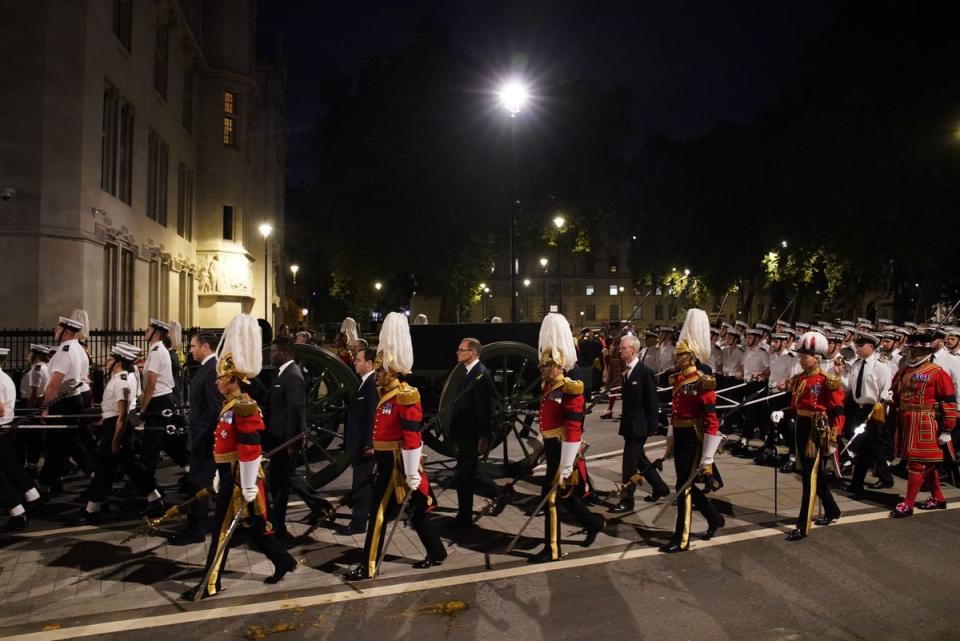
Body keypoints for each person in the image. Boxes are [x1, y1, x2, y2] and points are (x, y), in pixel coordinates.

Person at [180, 314, 296, 601]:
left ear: (231, 379)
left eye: (221, 377)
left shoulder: (244, 407)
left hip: (242, 479)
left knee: (221, 531)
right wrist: (220, 474)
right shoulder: (231, 404)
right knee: (254, 526)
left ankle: (209, 583)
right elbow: (225, 444)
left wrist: (244, 486)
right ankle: (283, 561)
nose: (217, 381)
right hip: (231, 475)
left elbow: (248, 449)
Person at [343, 312, 446, 580]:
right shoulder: (386, 394)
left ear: (392, 371)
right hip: (388, 462)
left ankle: (369, 566)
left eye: (380, 370)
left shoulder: (405, 395)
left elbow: (412, 436)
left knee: (378, 514)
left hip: (401, 464)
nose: (376, 374)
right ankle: (437, 552)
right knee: (417, 511)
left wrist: (412, 472)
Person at [528, 313, 604, 563]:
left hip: (564, 449)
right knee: (565, 495)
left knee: (550, 497)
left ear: (559, 365)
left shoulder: (569, 387)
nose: (542, 370)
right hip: (552, 447)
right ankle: (592, 523)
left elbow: (573, 428)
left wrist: (568, 464)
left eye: (546, 366)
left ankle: (552, 548)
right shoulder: (548, 387)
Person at [68, 345, 164, 524]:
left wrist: (115, 440)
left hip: (118, 428)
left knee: (105, 468)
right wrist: (103, 421)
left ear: (118, 363)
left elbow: (123, 414)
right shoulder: (118, 378)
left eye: (110, 360)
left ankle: (93, 509)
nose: (107, 362)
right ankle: (154, 498)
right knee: (129, 467)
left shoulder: (121, 382)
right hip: (113, 425)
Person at [660, 309, 725, 553]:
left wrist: (708, 456)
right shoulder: (678, 379)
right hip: (680, 434)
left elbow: (711, 419)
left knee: (683, 486)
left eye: (683, 354)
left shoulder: (701, 380)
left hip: (694, 438)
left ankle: (682, 536)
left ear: (693, 356)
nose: (678, 358)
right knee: (682, 484)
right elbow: (675, 412)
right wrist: (670, 438)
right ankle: (714, 518)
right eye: (679, 354)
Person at [777, 331, 845, 541]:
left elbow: (838, 411)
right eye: (801, 355)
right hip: (801, 426)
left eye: (805, 355)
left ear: (817, 358)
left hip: (817, 430)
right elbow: (796, 405)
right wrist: (783, 412)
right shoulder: (799, 379)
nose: (801, 358)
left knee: (809, 477)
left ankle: (803, 524)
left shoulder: (827, 380)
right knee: (813, 474)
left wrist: (834, 437)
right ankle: (832, 509)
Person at [888, 330, 957, 517]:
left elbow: (949, 401)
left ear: (925, 352)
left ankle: (908, 503)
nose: (912, 353)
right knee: (927, 462)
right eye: (911, 349)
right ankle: (938, 497)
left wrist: (947, 429)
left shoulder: (938, 373)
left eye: (916, 350)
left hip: (925, 421)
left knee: (917, 463)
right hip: (906, 420)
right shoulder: (905, 370)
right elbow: (895, 393)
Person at [168, 331, 222, 545]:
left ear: (205, 346)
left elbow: (215, 408)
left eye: (192, 346)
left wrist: (208, 438)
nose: (190, 350)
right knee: (198, 482)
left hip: (205, 439)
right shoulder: (207, 368)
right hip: (201, 436)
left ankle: (197, 528)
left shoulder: (211, 370)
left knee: (198, 483)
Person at [610, 333, 670, 513]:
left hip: (640, 426)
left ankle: (627, 500)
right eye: (620, 348)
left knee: (629, 463)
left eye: (624, 348)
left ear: (634, 350)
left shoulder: (644, 372)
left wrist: (652, 427)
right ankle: (661, 488)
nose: (620, 351)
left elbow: (652, 402)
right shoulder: (627, 370)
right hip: (629, 425)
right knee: (641, 461)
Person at [39, 315, 95, 492]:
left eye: (58, 328)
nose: (55, 331)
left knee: (64, 444)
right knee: (62, 445)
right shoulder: (78, 348)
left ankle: (97, 478)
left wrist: (45, 407)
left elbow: (55, 383)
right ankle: (49, 483)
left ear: (67, 331)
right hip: (74, 398)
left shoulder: (65, 350)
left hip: (63, 400)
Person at [263, 336, 307, 540]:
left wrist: (291, 443)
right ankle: (276, 525)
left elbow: (295, 411)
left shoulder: (293, 376)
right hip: (277, 440)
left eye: (274, 351)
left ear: (286, 353)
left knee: (281, 487)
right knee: (278, 484)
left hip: (284, 442)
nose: (271, 354)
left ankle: (279, 529)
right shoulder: (284, 374)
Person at [447, 337, 493, 527]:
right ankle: (498, 494)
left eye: (461, 349)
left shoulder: (480, 375)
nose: (458, 352)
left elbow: (484, 409)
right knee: (468, 473)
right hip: (465, 432)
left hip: (471, 433)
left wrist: (483, 435)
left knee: (465, 476)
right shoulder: (470, 372)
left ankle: (464, 517)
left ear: (472, 353)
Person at [843, 332, 894, 498]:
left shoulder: (880, 366)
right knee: (870, 446)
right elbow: (849, 387)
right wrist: (838, 374)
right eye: (857, 345)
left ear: (871, 347)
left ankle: (857, 485)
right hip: (858, 409)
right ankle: (885, 477)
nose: (857, 349)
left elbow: (887, 391)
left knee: (864, 448)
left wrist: (881, 409)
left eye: (861, 346)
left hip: (873, 410)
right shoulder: (857, 364)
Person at [0, 348, 45, 531]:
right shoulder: (5, 378)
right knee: (10, 465)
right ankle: (33, 497)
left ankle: (16, 510)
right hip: (7, 427)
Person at [139, 319, 189, 479]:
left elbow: (152, 383)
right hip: (162, 399)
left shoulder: (156, 351)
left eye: (148, 330)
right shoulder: (158, 350)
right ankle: (188, 465)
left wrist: (143, 407)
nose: (145, 333)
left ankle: (145, 479)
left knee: (153, 439)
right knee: (164, 438)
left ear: (157, 333)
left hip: (158, 400)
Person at [337, 347, 378, 535]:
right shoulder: (364, 383)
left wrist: (369, 443)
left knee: (361, 483)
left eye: (359, 360)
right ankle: (360, 518)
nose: (355, 363)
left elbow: (371, 416)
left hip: (364, 444)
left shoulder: (371, 385)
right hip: (359, 443)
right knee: (361, 482)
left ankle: (358, 523)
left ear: (369, 364)